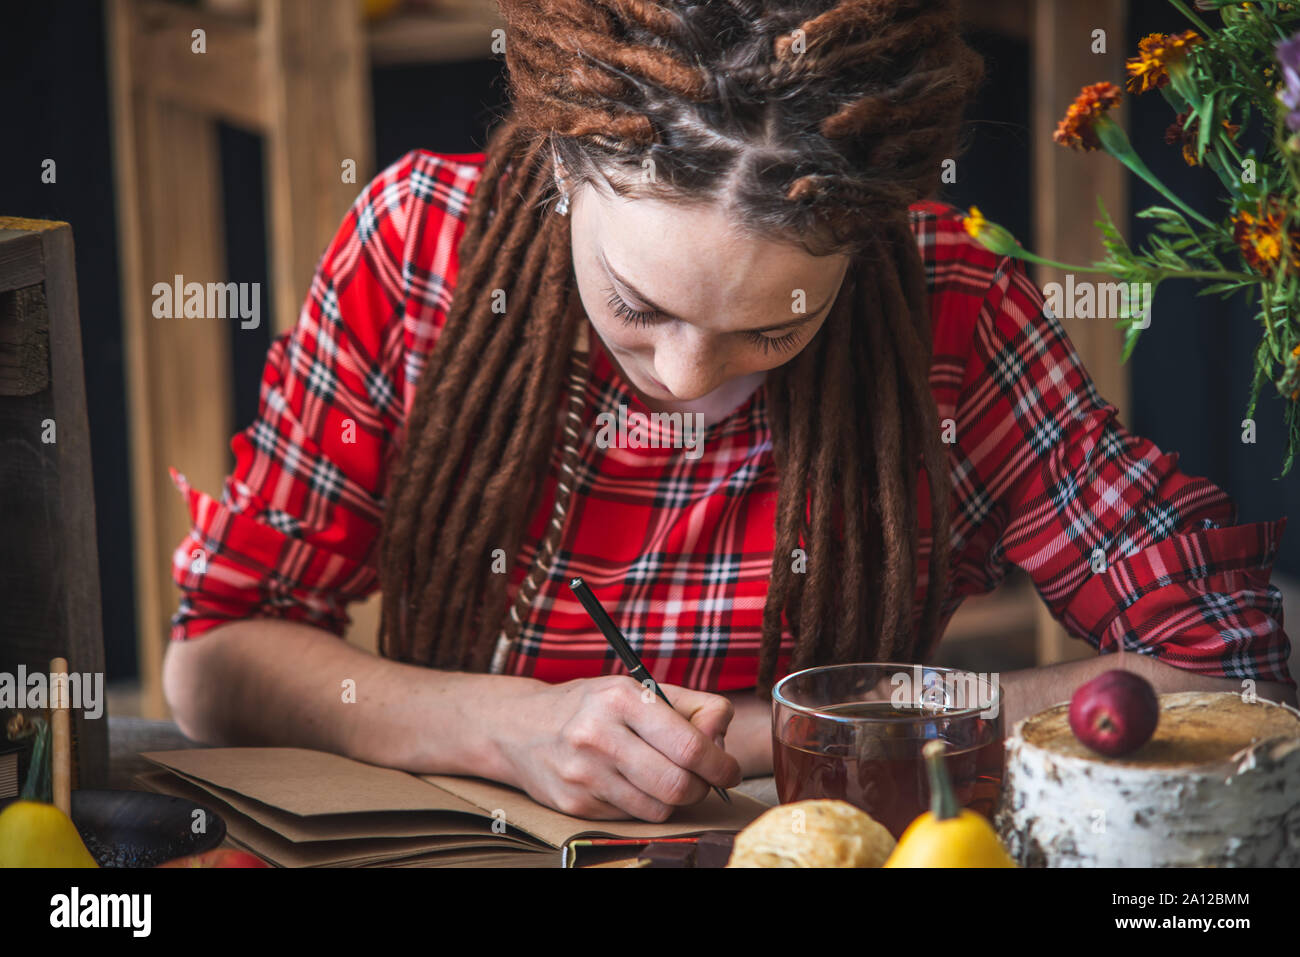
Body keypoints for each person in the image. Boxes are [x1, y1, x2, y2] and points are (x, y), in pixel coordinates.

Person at [161, 0, 1296, 823]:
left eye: (776, 326)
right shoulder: (418, 245)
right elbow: (211, 665)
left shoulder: (951, 310)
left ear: (869, 236)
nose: (689, 378)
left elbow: (1229, 671)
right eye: (635, 306)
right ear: (565, 162)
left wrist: (792, 732)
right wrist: (499, 726)